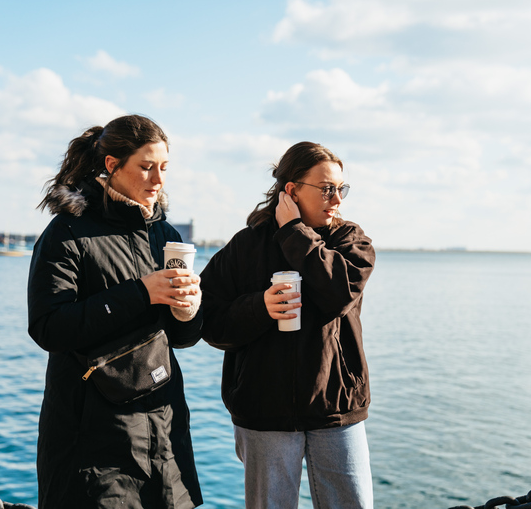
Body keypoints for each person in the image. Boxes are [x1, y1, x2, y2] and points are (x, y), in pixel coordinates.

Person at [27, 114, 203, 509]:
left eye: (163, 168)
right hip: (93, 440)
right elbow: (48, 327)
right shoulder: (67, 233)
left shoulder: (166, 235)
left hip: (164, 430)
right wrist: (142, 293)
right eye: (146, 167)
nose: (158, 179)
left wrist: (190, 311)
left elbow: (181, 339)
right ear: (112, 165)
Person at [200, 141, 376, 508]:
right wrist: (260, 307)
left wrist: (294, 230)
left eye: (341, 188)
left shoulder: (351, 241)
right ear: (292, 190)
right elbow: (209, 320)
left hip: (336, 407)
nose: (337, 198)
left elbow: (337, 294)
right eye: (327, 188)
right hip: (264, 409)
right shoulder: (246, 246)